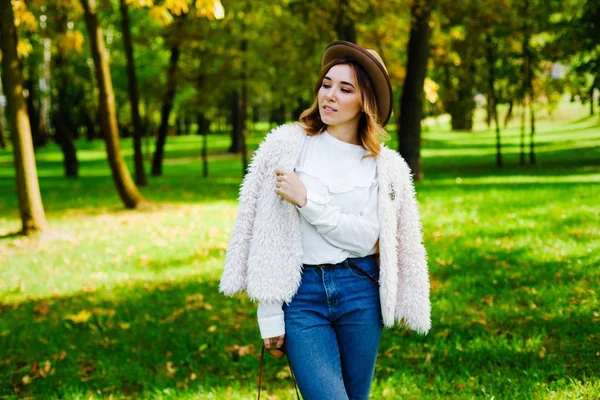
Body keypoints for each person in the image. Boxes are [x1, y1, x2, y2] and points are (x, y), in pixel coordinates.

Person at [219, 40, 431, 400]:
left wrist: (307, 201)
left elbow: (366, 239)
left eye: (345, 89)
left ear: (366, 103)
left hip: (360, 291)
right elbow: (265, 234)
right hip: (302, 296)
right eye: (326, 84)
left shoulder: (384, 166)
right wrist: (269, 315)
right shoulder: (286, 146)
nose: (329, 95)